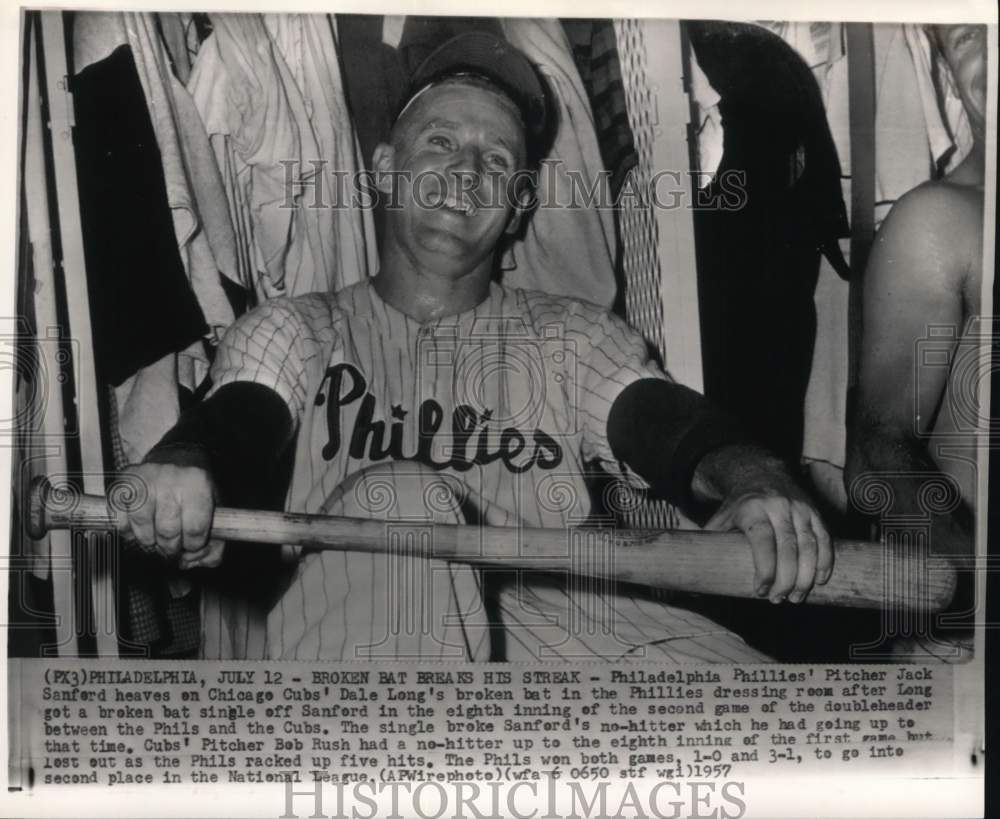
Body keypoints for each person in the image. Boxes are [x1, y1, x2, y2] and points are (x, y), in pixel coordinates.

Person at [119, 32, 832, 661]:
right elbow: (240, 417)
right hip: (368, 643)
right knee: (399, 502)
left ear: (520, 204)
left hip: (570, 641)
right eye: (440, 143)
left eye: (496, 158)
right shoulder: (296, 329)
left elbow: (667, 425)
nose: (467, 170)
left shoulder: (569, 335)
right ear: (382, 167)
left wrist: (752, 477)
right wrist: (187, 461)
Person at [845, 24, 985, 656]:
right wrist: (975, 581)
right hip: (971, 622)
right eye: (965, 36)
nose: (987, 51)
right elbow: (879, 450)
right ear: (946, 70)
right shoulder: (942, 219)